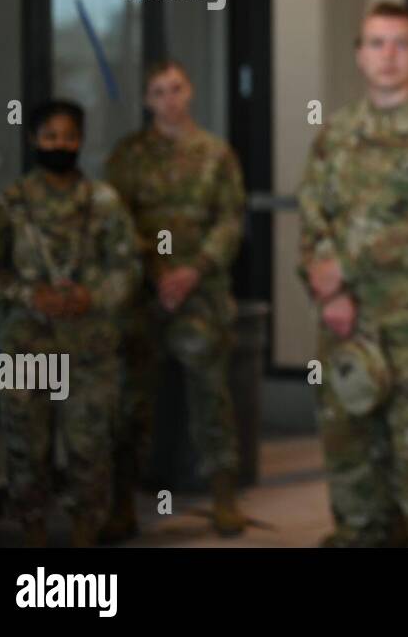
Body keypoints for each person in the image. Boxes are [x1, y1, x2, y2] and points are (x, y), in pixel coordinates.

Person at [298, 1, 408, 547]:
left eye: (400, 44)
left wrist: (341, 270)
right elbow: (311, 218)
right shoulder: (335, 134)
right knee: (353, 478)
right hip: (345, 330)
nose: (388, 55)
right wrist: (328, 294)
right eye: (376, 43)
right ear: (359, 55)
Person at [0, 100, 139, 547]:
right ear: (32, 140)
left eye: (68, 136)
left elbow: (128, 267)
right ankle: (34, 538)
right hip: (28, 344)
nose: (59, 145)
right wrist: (30, 296)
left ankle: (86, 534)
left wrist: (94, 296)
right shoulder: (10, 203)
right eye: (49, 136)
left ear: (80, 141)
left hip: (90, 347)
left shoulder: (104, 203)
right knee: (26, 450)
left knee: (91, 448)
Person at [102, 61, 248, 539]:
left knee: (212, 393)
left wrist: (194, 269)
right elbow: (114, 223)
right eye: (159, 91)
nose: (169, 99)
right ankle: (121, 501)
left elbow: (230, 220)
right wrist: (156, 268)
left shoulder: (215, 154)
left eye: (177, 89)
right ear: (147, 100)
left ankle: (224, 494)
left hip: (199, 289)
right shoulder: (128, 156)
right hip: (142, 291)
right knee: (129, 397)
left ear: (190, 92)